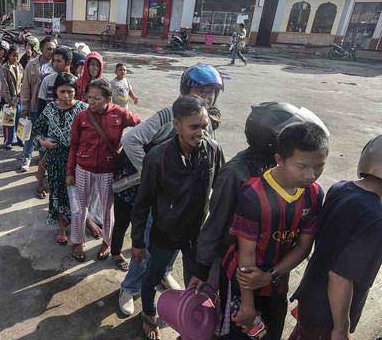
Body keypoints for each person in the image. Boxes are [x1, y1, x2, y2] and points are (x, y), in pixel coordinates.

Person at [116, 63, 225, 316]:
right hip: (161, 200)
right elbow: (131, 139)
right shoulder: (168, 115)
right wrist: (152, 173)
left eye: (211, 91)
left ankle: (164, 274)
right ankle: (129, 287)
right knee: (145, 253)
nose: (207, 96)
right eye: (201, 90)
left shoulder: (208, 119)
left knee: (172, 250)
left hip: (188, 208)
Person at [191, 103, 330, 290]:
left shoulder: (287, 173)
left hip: (273, 262)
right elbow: (217, 222)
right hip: (234, 259)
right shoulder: (236, 173)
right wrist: (202, 267)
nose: (310, 173)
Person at [220, 122, 328, 340]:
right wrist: (248, 305)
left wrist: (270, 277)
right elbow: (246, 255)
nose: (311, 174)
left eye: (319, 166)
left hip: (276, 283)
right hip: (243, 286)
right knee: (238, 333)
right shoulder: (252, 195)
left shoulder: (314, 195)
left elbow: (303, 246)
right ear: (279, 159)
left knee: (271, 333)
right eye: (302, 166)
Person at [131, 95, 224, 339]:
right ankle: (148, 315)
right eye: (194, 126)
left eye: (204, 126)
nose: (201, 132)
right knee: (151, 279)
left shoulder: (213, 151)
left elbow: (222, 194)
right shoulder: (156, 158)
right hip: (164, 234)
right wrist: (138, 242)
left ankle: (191, 321)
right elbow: (142, 204)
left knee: (196, 283)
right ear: (176, 124)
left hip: (196, 236)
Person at [289, 135, 382, 340]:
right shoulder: (375, 218)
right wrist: (341, 328)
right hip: (327, 318)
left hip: (310, 299)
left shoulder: (341, 188)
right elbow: (340, 276)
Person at [67, 78, 141, 263]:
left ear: (108, 98)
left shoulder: (121, 114)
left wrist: (127, 150)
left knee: (107, 210)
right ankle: (77, 241)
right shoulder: (81, 117)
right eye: (89, 97)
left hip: (108, 171)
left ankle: (107, 242)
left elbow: (142, 127)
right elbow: (73, 146)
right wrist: (70, 172)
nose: (91, 102)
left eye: (97, 98)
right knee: (79, 209)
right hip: (83, 169)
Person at [32, 73, 87, 245]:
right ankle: (62, 228)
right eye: (62, 91)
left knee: (80, 195)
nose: (66, 96)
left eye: (70, 92)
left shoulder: (83, 109)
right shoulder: (49, 109)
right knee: (58, 194)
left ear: (75, 91)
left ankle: (85, 223)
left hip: (77, 159)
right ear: (56, 91)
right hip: (55, 159)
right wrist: (43, 141)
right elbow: (37, 129)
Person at [20, 36, 57, 175]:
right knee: (31, 134)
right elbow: (25, 87)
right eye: (48, 48)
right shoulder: (32, 64)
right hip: (35, 106)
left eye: (53, 49)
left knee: (47, 136)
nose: (51, 51)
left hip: (51, 108)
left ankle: (44, 163)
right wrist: (25, 106)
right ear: (41, 49)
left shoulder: (57, 64)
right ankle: (26, 158)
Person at [0, 44, 24, 150]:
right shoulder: (4, 68)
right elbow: (4, 86)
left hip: (19, 98)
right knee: (8, 121)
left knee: (19, 120)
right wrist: (9, 101)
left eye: (17, 56)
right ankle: (8, 141)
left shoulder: (19, 66)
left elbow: (23, 82)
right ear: (9, 55)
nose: (16, 58)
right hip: (8, 100)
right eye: (13, 55)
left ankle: (19, 139)